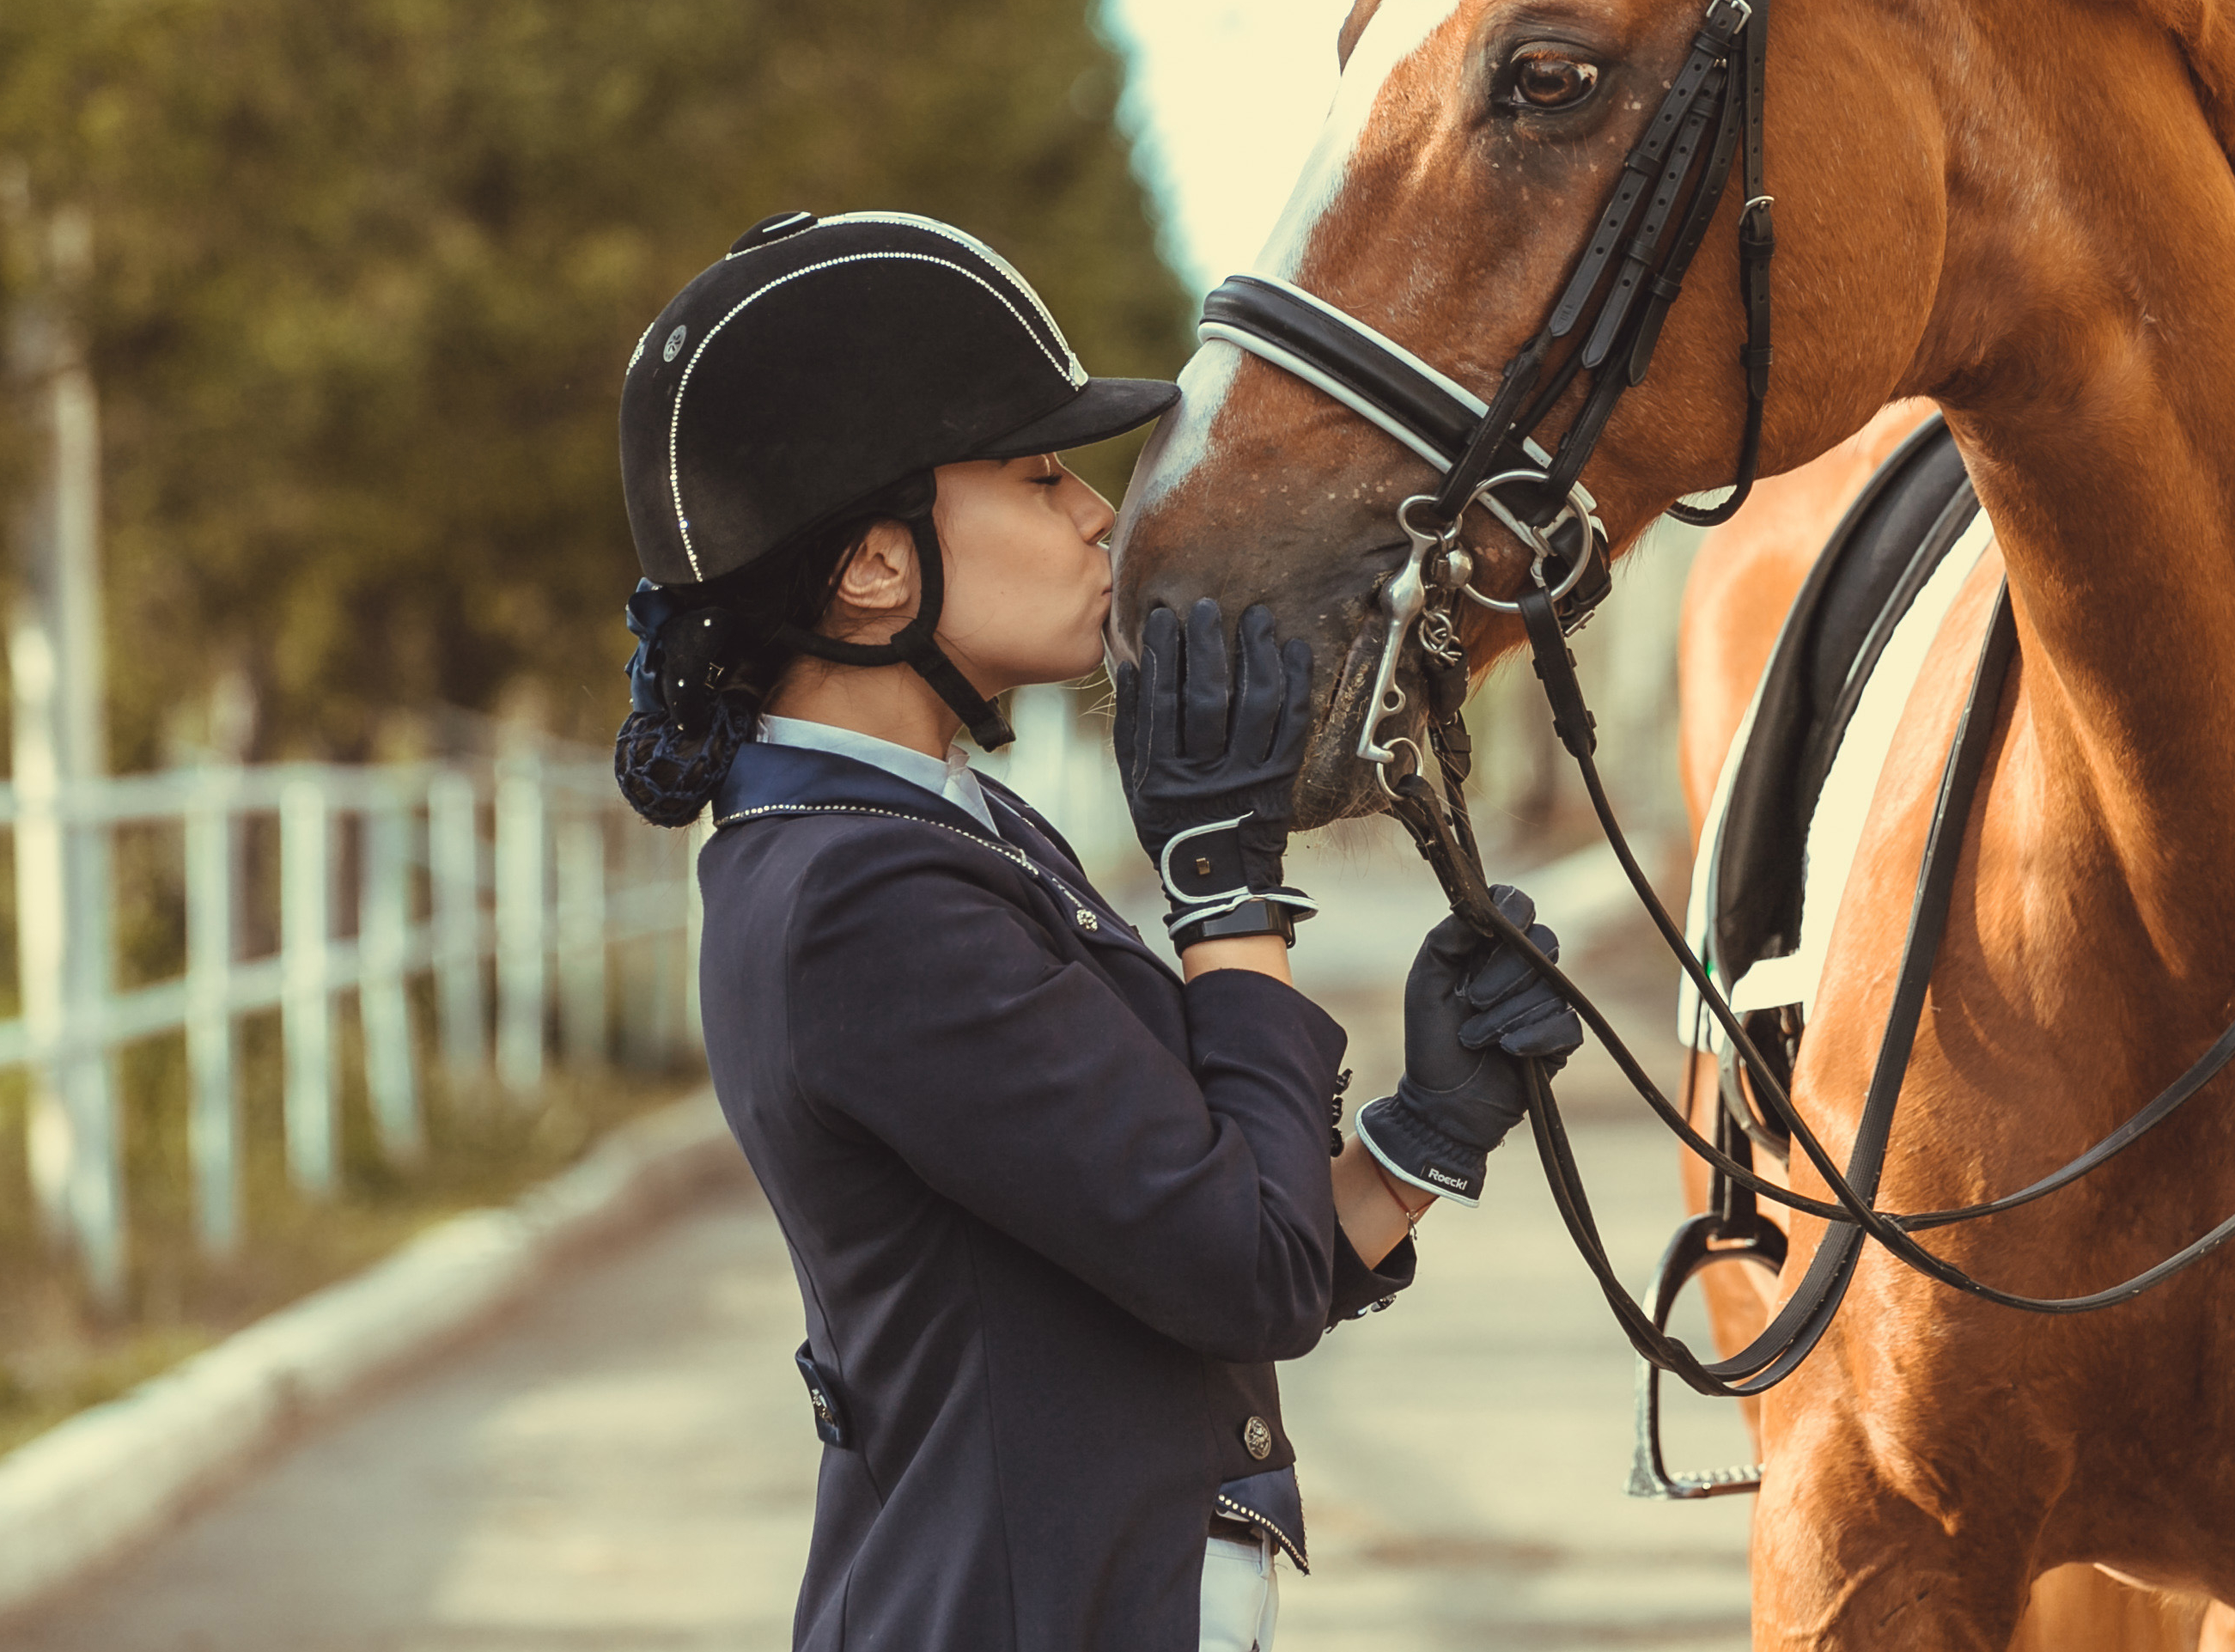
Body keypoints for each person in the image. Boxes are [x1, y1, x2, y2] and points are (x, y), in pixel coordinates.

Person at [612, 210, 1585, 1652]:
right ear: (871, 568)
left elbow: (1208, 1234)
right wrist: (1224, 890)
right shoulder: (862, 904)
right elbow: (1234, 1272)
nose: (1093, 512)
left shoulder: (935, 833)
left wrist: (1422, 1138)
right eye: (1035, 472)